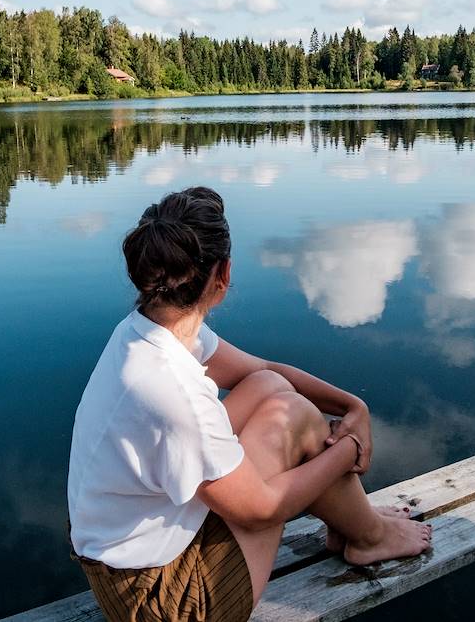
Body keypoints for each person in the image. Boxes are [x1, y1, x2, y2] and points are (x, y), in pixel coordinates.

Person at [67, 186, 432, 621]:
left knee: (267, 386)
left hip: (135, 556)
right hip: (165, 602)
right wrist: (350, 448)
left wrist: (354, 407)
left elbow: (264, 370)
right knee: (292, 415)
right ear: (222, 275)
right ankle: (367, 534)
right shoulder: (171, 389)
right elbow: (262, 510)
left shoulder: (149, 332)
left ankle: (354, 525)